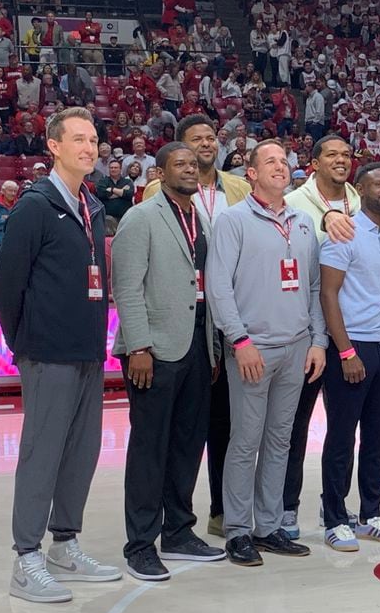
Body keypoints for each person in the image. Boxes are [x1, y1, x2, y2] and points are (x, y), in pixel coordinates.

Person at [0, 107, 122, 603]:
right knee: (41, 455)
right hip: (47, 353)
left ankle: (64, 545)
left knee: (80, 454)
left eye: (93, 140)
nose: (90, 148)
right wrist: (24, 344)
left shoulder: (92, 206)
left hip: (87, 351)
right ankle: (26, 558)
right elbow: (8, 287)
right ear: (54, 146)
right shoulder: (34, 206)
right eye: (79, 140)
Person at [205, 140, 326, 565]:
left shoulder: (304, 222)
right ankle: (238, 530)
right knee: (245, 441)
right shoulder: (234, 221)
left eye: (284, 160)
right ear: (251, 173)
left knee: (280, 440)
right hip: (253, 349)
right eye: (269, 161)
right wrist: (239, 341)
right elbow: (218, 286)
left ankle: (269, 526)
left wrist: (318, 341)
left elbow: (313, 287)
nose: (280, 166)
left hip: (297, 348)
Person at [111, 141, 225, 582]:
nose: (190, 171)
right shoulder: (141, 218)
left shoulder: (203, 218)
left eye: (194, 166)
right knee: (149, 449)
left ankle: (178, 531)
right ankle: (140, 545)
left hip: (197, 345)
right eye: (180, 164)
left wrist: (213, 347)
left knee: (186, 445)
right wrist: (138, 347)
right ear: (159, 173)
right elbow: (127, 286)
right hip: (154, 349)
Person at [141, 114, 251, 539]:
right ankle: (168, 519)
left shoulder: (238, 188)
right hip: (184, 319)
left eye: (211, 138)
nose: (206, 145)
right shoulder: (158, 192)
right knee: (179, 429)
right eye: (196, 140)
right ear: (178, 151)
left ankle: (222, 511)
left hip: (229, 321)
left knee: (225, 423)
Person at [317, 161, 380, 551]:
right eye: (378, 184)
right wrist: (346, 350)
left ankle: (371, 514)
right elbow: (328, 294)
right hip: (351, 347)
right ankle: (335, 518)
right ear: (359, 190)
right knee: (340, 438)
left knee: (377, 438)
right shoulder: (344, 233)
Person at [281, 133, 360, 538]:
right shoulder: (295, 205)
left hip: (352, 332)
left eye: (346, 155)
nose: (341, 160)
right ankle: (286, 506)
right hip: (312, 330)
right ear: (314, 162)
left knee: (344, 429)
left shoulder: (359, 200)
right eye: (331, 154)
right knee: (295, 426)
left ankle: (339, 507)